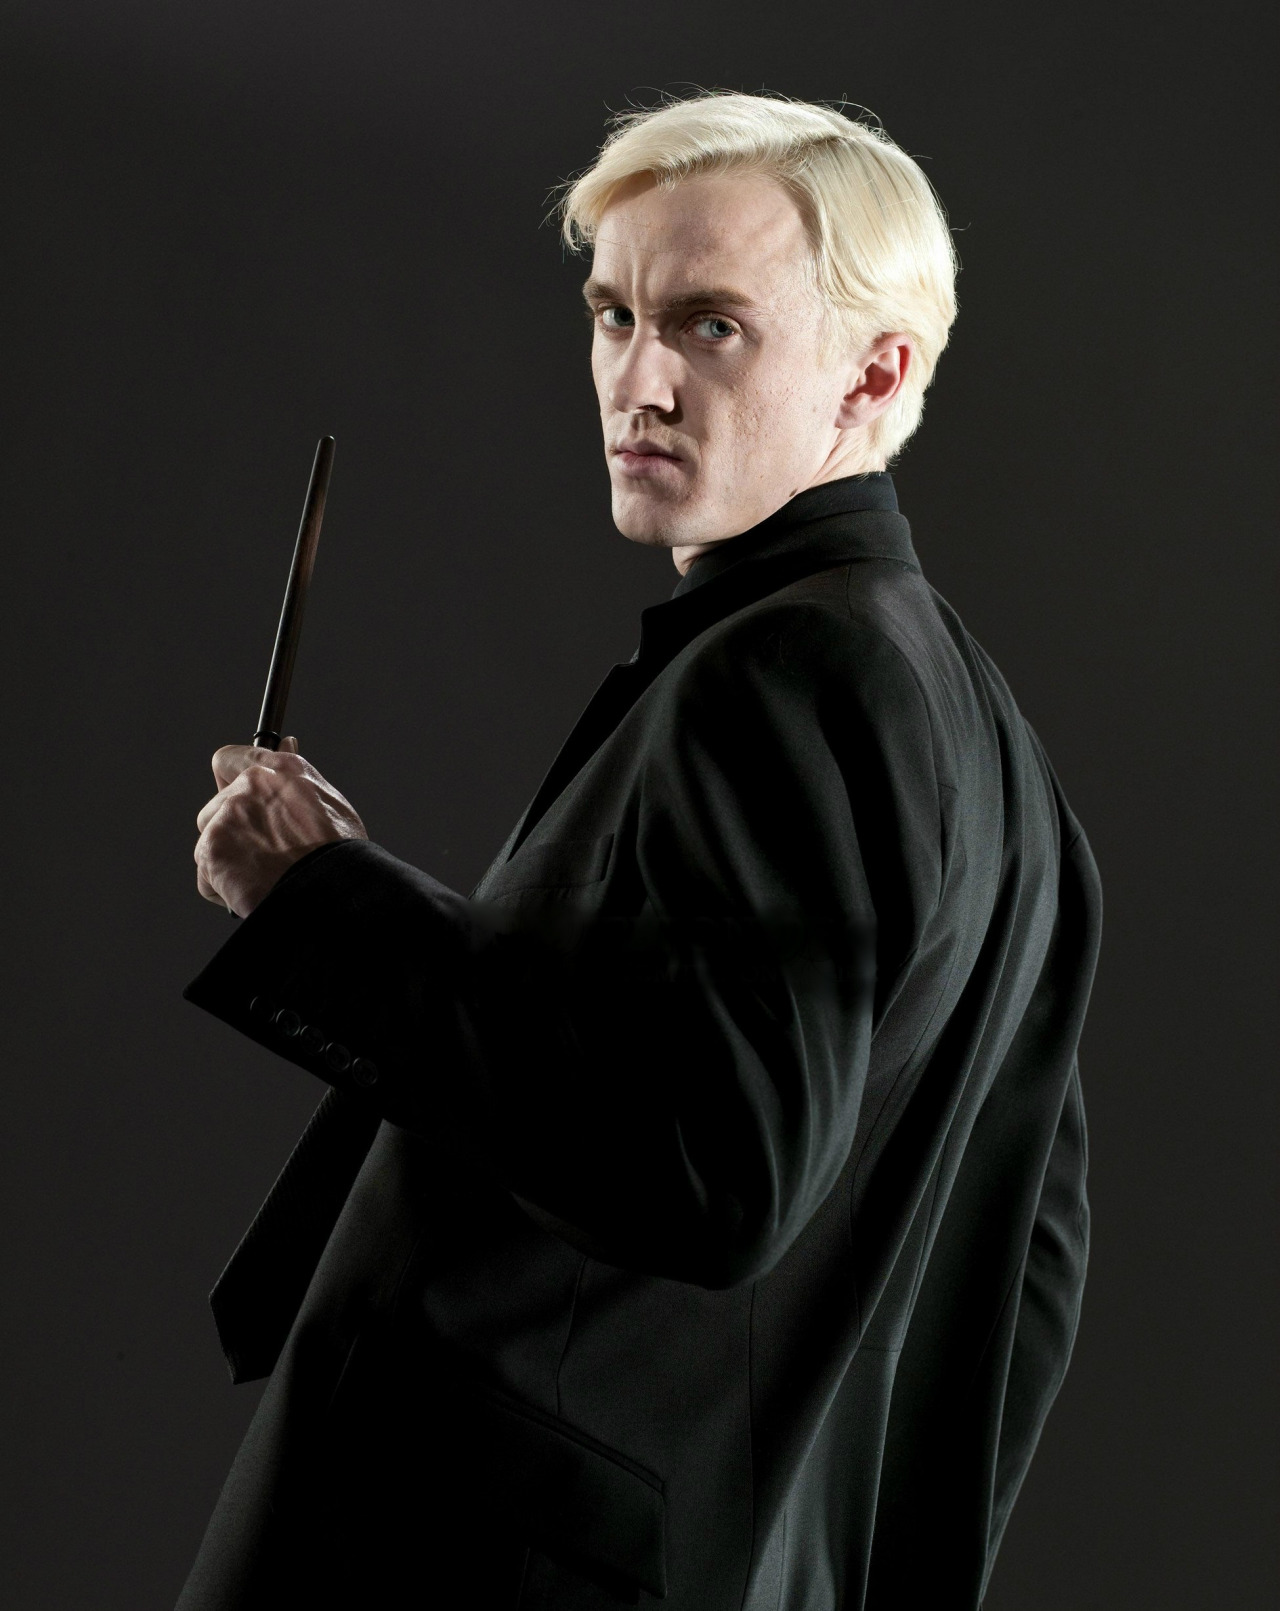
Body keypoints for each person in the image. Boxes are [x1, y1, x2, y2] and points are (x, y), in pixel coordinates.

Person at [181, 93, 1102, 1610]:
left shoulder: (794, 671)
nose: (639, 381)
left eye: (711, 327)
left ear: (876, 373)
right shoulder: (1000, 756)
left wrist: (323, 900)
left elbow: (710, 1171)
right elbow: (1029, 1273)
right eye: (615, 316)